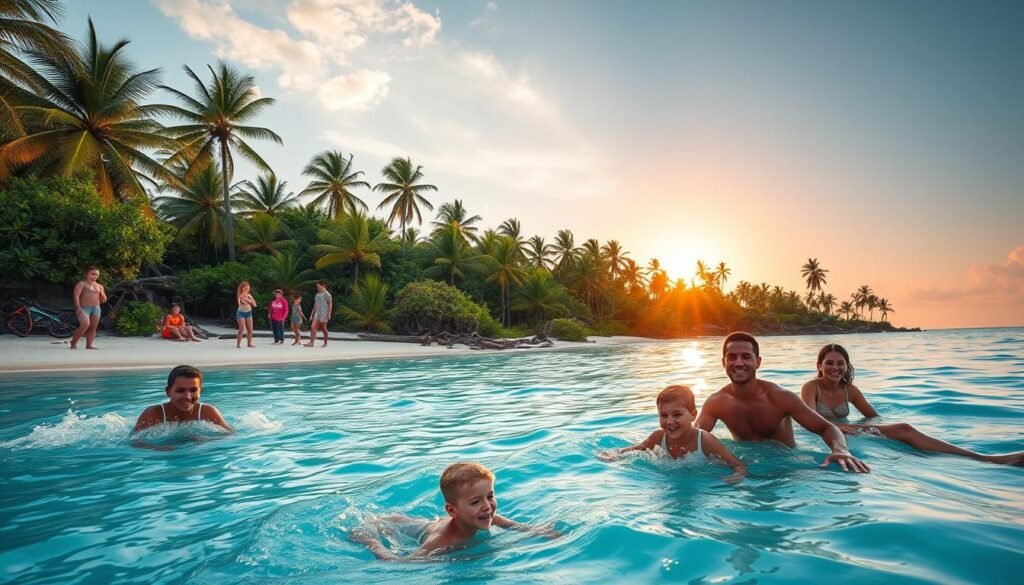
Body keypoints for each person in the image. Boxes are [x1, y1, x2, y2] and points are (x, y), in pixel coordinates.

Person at [801, 343, 1024, 466]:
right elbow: (809, 420)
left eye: (841, 363)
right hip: (824, 436)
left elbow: (873, 416)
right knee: (904, 429)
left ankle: (981, 458)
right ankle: (988, 459)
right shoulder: (811, 387)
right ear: (819, 365)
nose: (835, 368)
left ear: (847, 367)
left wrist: (870, 429)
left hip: (852, 433)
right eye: (829, 363)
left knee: (903, 430)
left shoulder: (850, 390)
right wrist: (845, 428)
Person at [695, 332, 870, 473]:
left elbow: (826, 427)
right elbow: (694, 438)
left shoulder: (780, 397)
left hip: (789, 467)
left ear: (758, 362)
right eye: (732, 357)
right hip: (745, 469)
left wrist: (840, 450)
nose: (739, 363)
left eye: (746, 357)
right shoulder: (716, 403)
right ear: (723, 362)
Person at [350, 462, 558, 560]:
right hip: (416, 530)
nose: (487, 506)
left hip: (432, 522)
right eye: (476, 501)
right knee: (389, 524)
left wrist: (543, 532)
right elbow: (400, 564)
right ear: (453, 510)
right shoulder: (441, 543)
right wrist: (374, 544)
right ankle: (374, 526)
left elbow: (520, 527)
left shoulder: (490, 517)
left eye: (490, 496)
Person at [599, 385, 747, 482]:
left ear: (693, 415)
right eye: (664, 415)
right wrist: (614, 454)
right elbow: (634, 450)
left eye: (677, 415)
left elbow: (737, 464)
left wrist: (737, 475)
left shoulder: (705, 441)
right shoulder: (658, 437)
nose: (669, 421)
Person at [132, 365, 231, 436]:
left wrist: (205, 442)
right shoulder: (153, 414)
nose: (188, 397)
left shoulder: (207, 412)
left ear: (200, 391)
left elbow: (229, 436)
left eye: (193, 390)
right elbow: (135, 442)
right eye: (180, 391)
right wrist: (160, 449)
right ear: (168, 392)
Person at [70, 266, 107, 350]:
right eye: (93, 274)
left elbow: (104, 299)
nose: (95, 276)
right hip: (84, 308)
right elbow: (76, 296)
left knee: (93, 327)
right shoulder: (81, 284)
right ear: (86, 274)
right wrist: (78, 308)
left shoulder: (99, 286)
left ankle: (89, 345)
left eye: (97, 275)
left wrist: (101, 293)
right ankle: (74, 342)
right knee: (85, 324)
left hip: (96, 308)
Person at [304, 281, 332, 348]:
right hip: (317, 313)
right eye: (317, 286)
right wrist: (311, 314)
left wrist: (329, 314)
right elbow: (315, 305)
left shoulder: (327, 294)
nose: (317, 288)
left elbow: (330, 304)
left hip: (324, 313)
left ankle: (325, 343)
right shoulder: (317, 294)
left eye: (318, 286)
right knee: (313, 327)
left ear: (323, 286)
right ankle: (311, 343)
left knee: (323, 328)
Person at [236, 281, 257, 348]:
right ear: (242, 288)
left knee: (250, 330)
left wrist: (250, 300)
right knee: (242, 329)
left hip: (248, 313)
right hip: (241, 313)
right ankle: (238, 344)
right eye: (245, 288)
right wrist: (250, 301)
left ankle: (249, 344)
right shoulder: (240, 295)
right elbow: (242, 302)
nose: (247, 290)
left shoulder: (249, 295)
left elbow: (255, 305)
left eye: (248, 289)